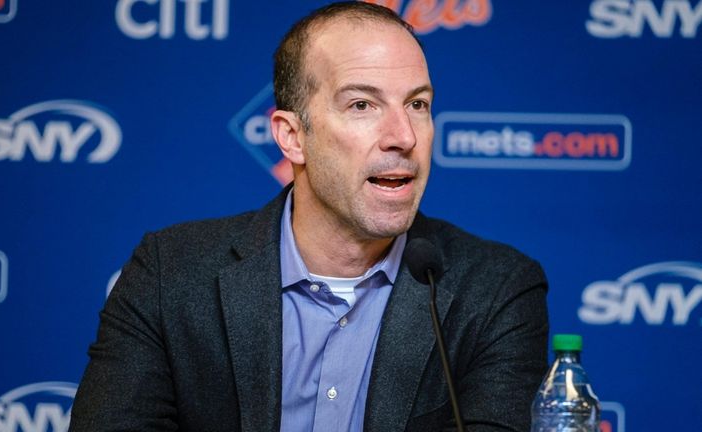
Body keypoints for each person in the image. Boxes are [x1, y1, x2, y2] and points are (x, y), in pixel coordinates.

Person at [69, 2, 549, 431]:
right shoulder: (169, 274)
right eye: (362, 104)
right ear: (292, 137)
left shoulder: (496, 289)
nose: (403, 136)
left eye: (417, 105)